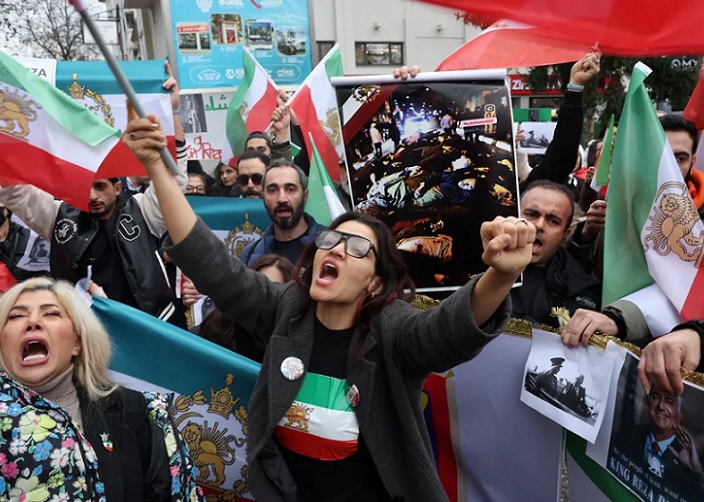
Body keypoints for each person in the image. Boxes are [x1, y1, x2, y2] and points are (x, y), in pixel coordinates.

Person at [123, 111, 535, 502]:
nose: (336, 248)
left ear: (376, 281)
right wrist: (157, 167)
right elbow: (212, 264)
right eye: (332, 240)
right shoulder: (286, 308)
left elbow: (448, 331)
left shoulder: (393, 330)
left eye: (357, 248)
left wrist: (499, 275)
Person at [0, 67, 186, 325]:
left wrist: (173, 111)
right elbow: (13, 190)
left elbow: (175, 179)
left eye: (100, 187)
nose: (92, 195)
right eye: (85, 186)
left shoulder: (143, 211)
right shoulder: (58, 216)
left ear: (118, 188)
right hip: (86, 331)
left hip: (151, 327)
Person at [0, 277, 200, 501]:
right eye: (16, 316)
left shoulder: (133, 411)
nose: (33, 322)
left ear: (77, 343)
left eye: (51, 313)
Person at [511, 180, 601, 327]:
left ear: (565, 234)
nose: (539, 225)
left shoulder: (579, 288)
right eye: (531, 214)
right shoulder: (478, 259)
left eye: (553, 221)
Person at [616, 386, 703, 497]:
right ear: (648, 405)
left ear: (679, 417)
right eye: (656, 397)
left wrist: (697, 473)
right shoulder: (629, 434)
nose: (661, 406)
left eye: (669, 401)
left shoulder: (687, 458)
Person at [240, 159, 325, 265]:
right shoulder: (250, 255)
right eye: (272, 190)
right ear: (263, 197)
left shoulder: (330, 245)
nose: (282, 199)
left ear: (305, 196)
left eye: (290, 189)